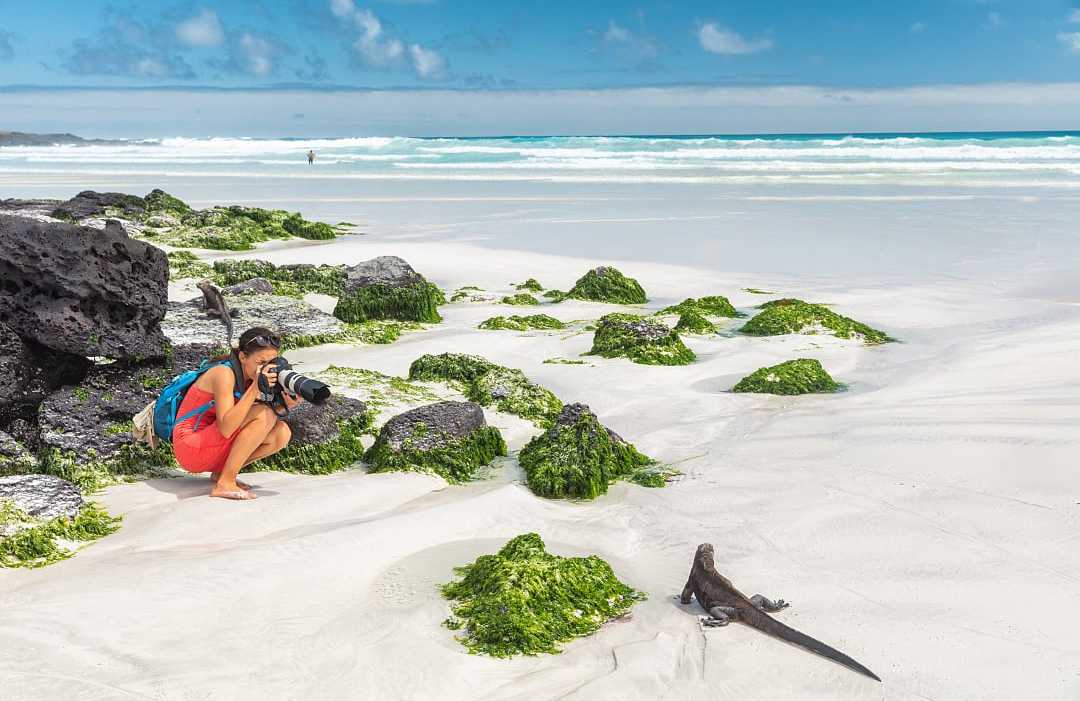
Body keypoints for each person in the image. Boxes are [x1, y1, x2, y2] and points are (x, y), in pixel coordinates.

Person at [172, 327, 302, 500]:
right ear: (242, 357)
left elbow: (250, 422)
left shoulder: (249, 376)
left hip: (210, 441)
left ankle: (221, 473)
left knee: (281, 433)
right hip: (190, 446)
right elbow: (227, 427)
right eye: (260, 362)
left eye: (271, 363)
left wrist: (284, 405)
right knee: (265, 413)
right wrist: (256, 387)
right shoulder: (223, 373)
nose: (265, 369)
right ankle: (225, 482)